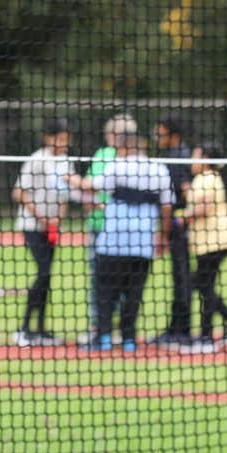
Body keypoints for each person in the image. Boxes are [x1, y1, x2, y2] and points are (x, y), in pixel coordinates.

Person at [68, 134, 173, 351]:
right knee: (134, 292)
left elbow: (90, 187)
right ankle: (128, 339)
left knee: (105, 290)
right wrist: (162, 235)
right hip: (142, 243)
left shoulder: (117, 166)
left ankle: (104, 337)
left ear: (124, 149)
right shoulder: (159, 169)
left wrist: (70, 177)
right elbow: (167, 207)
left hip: (113, 241)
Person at [11, 118, 74, 346]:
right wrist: (41, 217)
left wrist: (57, 218)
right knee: (44, 272)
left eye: (66, 140)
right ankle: (24, 328)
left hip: (52, 228)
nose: (64, 144)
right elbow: (19, 192)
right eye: (60, 139)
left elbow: (65, 195)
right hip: (32, 226)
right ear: (49, 138)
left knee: (47, 277)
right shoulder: (37, 160)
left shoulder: (66, 162)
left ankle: (41, 329)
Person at [179, 142, 227, 353]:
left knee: (202, 285)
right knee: (202, 284)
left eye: (196, 155)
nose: (192, 159)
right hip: (210, 241)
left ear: (206, 158)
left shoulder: (207, 178)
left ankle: (209, 336)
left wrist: (183, 217)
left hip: (215, 241)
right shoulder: (206, 179)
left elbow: (205, 207)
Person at [81, 113, 136, 342]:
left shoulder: (104, 155)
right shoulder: (138, 158)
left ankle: (99, 329)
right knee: (126, 281)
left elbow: (89, 188)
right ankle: (123, 331)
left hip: (103, 227)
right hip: (129, 230)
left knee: (99, 280)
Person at [147, 114, 195, 348]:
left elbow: (187, 191)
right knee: (179, 277)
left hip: (179, 226)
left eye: (161, 132)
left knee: (182, 277)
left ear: (173, 135)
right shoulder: (175, 157)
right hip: (177, 225)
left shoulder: (179, 159)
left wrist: (181, 221)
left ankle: (182, 331)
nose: (157, 136)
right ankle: (175, 328)